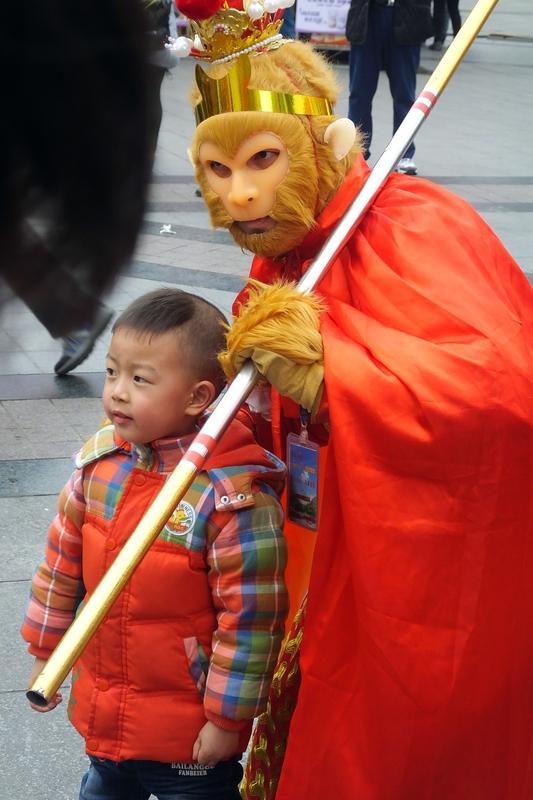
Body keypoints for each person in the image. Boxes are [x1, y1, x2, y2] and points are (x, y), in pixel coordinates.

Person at [179, 1, 532, 796]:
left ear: (325, 144)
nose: (238, 196)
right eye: (217, 170)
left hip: (401, 569)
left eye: (263, 159)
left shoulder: (420, 226)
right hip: (305, 543)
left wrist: (336, 375)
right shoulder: (283, 258)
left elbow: (503, 393)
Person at [21, 288, 288, 800]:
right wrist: (47, 650)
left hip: (189, 735)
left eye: (141, 379)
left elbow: (251, 620)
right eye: (112, 371)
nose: (118, 392)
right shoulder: (100, 468)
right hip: (106, 709)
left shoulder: (230, 499)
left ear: (198, 396)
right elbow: (60, 566)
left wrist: (227, 718)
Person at [345, 0, 433, 175]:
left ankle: (404, 153)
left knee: (404, 95)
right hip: (368, 16)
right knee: (359, 93)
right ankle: (357, 152)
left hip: (407, 17)